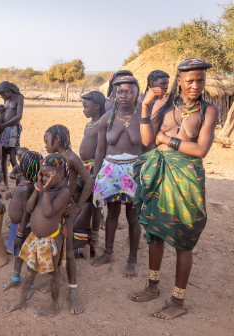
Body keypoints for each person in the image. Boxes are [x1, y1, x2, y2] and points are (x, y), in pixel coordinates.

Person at [131, 58, 218, 320]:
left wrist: (166, 139)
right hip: (159, 176)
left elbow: (200, 150)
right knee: (155, 233)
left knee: (184, 239)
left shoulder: (208, 110)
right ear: (179, 80)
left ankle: (178, 301)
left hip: (187, 180)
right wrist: (145, 105)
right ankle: (153, 286)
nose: (195, 85)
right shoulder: (163, 104)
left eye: (200, 80)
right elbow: (147, 140)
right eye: (189, 80)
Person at [5, 154, 70, 318]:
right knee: (30, 271)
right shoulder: (42, 188)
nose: (44, 177)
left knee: (53, 274)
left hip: (51, 239)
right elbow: (29, 207)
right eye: (42, 174)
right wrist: (38, 188)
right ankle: (21, 300)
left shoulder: (63, 192)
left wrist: (45, 189)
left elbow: (48, 212)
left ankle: (54, 306)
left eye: (48, 175)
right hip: (36, 239)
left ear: (61, 173)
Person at [92, 76, 142, 278]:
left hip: (135, 171)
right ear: (114, 93)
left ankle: (132, 260)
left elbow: (148, 147)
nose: (124, 95)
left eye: (129, 91)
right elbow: (100, 150)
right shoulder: (107, 118)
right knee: (112, 213)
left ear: (137, 93)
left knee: (133, 216)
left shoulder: (143, 117)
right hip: (111, 170)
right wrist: (96, 177)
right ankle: (109, 252)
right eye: (120, 91)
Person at [43, 125, 91, 314]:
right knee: (52, 247)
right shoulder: (53, 159)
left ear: (57, 140)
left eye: (47, 141)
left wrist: (77, 207)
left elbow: (89, 180)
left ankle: (73, 292)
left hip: (64, 213)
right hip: (52, 211)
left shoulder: (71, 158)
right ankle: (55, 280)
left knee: (69, 251)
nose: (45, 145)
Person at [1, 151, 42, 298]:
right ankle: (16, 278)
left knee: (28, 254)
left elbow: (26, 211)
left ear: (23, 167)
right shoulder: (25, 185)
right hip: (17, 225)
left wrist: (20, 232)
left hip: (23, 227)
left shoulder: (27, 187)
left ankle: (29, 284)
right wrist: (13, 196)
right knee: (18, 253)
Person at [79, 91, 106, 244]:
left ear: (97, 106)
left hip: (94, 168)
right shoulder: (89, 124)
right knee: (85, 199)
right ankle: (83, 230)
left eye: (86, 107)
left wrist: (96, 172)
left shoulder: (102, 123)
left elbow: (101, 149)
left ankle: (94, 234)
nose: (84, 110)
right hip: (84, 167)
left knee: (96, 203)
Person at [0, 81, 24, 192]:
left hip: (12, 130)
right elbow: (3, 113)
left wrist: (4, 125)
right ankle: (5, 183)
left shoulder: (19, 98)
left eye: (3, 94)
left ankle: (20, 180)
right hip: (4, 130)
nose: (2, 97)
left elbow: (19, 116)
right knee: (3, 157)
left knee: (12, 157)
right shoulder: (6, 99)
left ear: (8, 91)